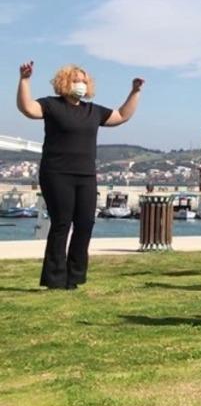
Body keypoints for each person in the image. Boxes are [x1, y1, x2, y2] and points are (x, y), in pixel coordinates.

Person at [16, 62, 143, 290]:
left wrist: (135, 92)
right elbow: (27, 108)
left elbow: (122, 115)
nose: (81, 84)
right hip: (56, 173)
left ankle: (74, 278)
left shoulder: (93, 111)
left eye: (84, 81)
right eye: (76, 80)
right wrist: (24, 80)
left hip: (86, 176)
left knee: (85, 224)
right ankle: (55, 279)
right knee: (61, 223)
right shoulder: (51, 105)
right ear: (65, 82)